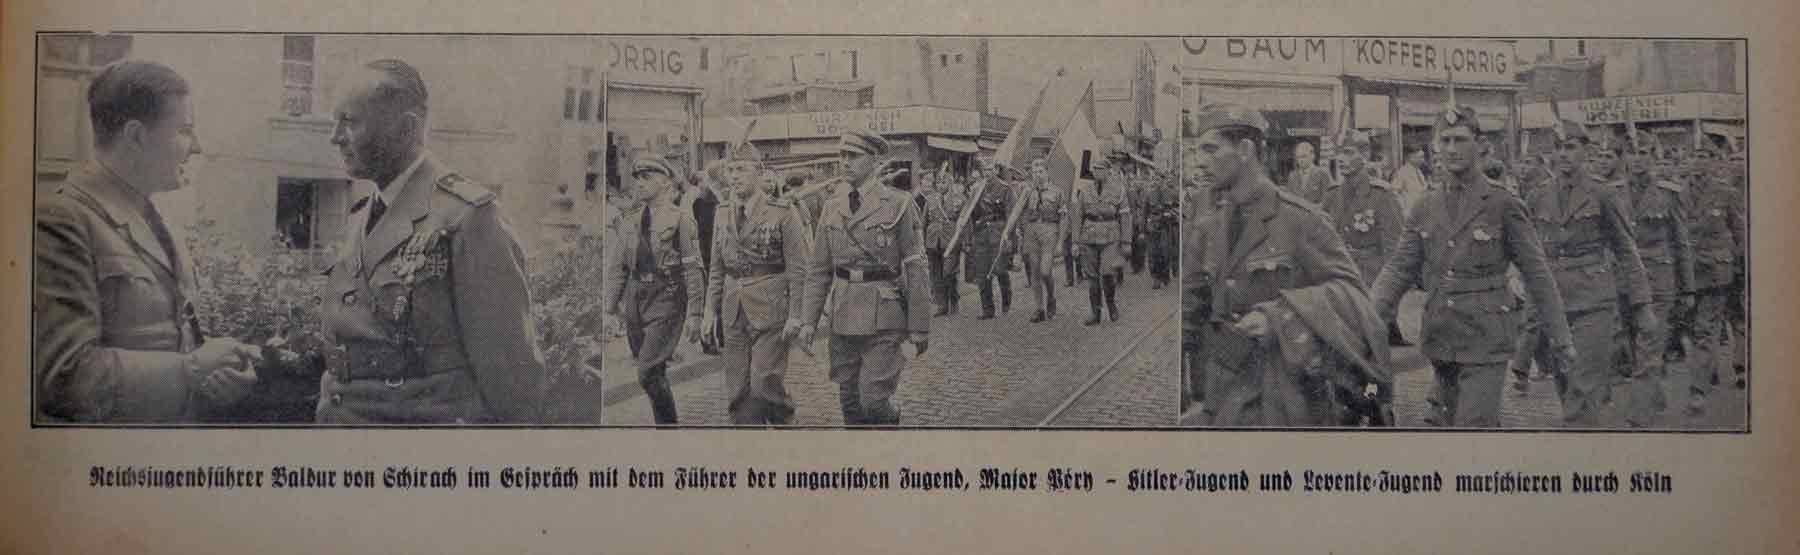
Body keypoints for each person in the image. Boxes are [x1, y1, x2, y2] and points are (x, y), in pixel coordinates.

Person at [311, 59, 545, 424]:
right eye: (335, 121)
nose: (335, 136)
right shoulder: (360, 215)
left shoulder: (468, 218)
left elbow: (512, 382)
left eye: (350, 121)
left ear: (406, 129)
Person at [34, 60, 262, 423]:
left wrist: (221, 370)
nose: (197, 147)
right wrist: (191, 370)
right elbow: (65, 378)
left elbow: (175, 338)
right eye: (185, 131)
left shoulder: (157, 219)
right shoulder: (61, 219)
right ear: (137, 136)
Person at [1182, 103, 1389, 426]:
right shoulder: (1208, 226)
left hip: (1288, 399)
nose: (1199, 161)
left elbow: (1355, 300)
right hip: (1225, 395)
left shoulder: (1300, 220)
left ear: (1245, 150)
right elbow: (1190, 308)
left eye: (1210, 149)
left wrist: (1279, 316)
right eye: (1197, 151)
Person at [1370, 105, 1573, 428]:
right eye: (1445, 140)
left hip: (1486, 338)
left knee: (1472, 426)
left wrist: (1561, 337)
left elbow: (1537, 274)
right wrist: (1368, 316)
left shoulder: (1502, 203)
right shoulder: (1425, 205)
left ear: (1479, 144)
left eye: (1460, 140)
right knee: (1445, 428)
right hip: (1441, 336)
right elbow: (1398, 269)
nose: (1452, 149)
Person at [1515, 122, 1656, 427]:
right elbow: (1528, 250)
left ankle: (1578, 438)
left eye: (1570, 147)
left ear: (1585, 150)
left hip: (1593, 300)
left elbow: (1626, 250)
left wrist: (1642, 304)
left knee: (1583, 382)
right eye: (1557, 148)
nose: (1562, 155)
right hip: (1553, 303)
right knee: (1565, 381)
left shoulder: (1603, 194)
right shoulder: (1538, 196)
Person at [795, 130, 929, 425]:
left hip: (885, 315)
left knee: (874, 401)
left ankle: (890, 420)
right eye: (842, 155)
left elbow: (916, 267)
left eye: (853, 156)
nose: (845, 162)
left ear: (874, 160)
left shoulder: (899, 204)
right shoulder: (832, 206)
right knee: (850, 402)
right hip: (843, 315)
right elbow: (818, 270)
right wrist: (808, 322)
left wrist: (919, 327)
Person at [703, 144, 806, 425]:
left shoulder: (783, 212)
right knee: (738, 391)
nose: (734, 176)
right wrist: (710, 310)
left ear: (759, 173)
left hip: (771, 308)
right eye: (730, 170)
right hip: (733, 308)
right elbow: (717, 267)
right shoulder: (722, 212)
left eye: (742, 169)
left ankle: (784, 418)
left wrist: (796, 315)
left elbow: (798, 269)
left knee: (763, 384)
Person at [604, 155, 706, 425]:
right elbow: (618, 268)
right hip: (636, 299)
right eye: (637, 178)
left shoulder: (681, 219)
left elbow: (693, 268)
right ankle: (666, 427)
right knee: (652, 370)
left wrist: (696, 314)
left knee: (647, 371)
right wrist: (609, 310)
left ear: (665, 183)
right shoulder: (629, 221)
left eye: (646, 178)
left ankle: (668, 425)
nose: (639, 183)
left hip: (667, 297)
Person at [1610, 131, 1695, 426]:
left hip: (1658, 279)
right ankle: (1654, 395)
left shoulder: (1669, 194)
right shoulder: (1613, 192)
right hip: (1624, 279)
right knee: (1633, 343)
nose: (1638, 159)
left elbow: (1681, 243)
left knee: (1650, 343)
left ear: (1653, 156)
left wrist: (1688, 288)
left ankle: (1639, 412)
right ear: (1625, 157)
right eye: (1632, 153)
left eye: (1644, 152)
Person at [1322, 130, 1409, 348]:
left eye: (1348, 152)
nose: (1341, 159)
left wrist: (1387, 297)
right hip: (1340, 278)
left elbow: (1394, 251)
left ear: (1365, 155)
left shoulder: (1382, 195)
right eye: (1338, 153)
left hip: (1371, 280)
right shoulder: (1331, 195)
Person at [1683, 163, 1746, 415]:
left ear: (1712, 161)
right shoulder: (1678, 192)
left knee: (1705, 330)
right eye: (1696, 156)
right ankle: (1708, 370)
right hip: (1686, 273)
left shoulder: (1726, 193)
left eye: (1704, 157)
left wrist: (1737, 267)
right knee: (1691, 330)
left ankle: (1697, 391)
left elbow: (1740, 233)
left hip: (1715, 273)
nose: (1698, 162)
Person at [1071, 157, 1133, 325]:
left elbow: (1125, 217)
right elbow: (1077, 217)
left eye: (1100, 169)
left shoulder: (1119, 190)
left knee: (1107, 273)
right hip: (1088, 237)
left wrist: (1126, 242)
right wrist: (1075, 242)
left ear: (1108, 171)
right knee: (1092, 278)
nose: (1097, 172)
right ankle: (1095, 312)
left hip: (1110, 237)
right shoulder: (1085, 191)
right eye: (1095, 169)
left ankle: (1111, 304)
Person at [1017, 158, 1070, 322]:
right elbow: (1020, 212)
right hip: (1032, 231)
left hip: (1050, 230)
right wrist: (1021, 229)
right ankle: (1039, 308)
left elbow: (1063, 217)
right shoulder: (1027, 191)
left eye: (1040, 171)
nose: (1037, 175)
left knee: (1045, 271)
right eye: (1034, 172)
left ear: (1047, 172)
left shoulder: (1057, 192)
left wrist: (1060, 242)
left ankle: (1051, 297)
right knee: (1034, 272)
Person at [965, 158, 1015, 319]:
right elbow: (969, 215)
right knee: (982, 273)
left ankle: (1006, 301)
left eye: (990, 169)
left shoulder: (1005, 189)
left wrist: (1009, 237)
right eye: (984, 170)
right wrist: (969, 238)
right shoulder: (976, 189)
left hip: (998, 233)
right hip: (981, 234)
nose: (987, 173)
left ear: (996, 170)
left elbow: (1011, 215)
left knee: (1000, 269)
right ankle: (987, 309)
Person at [920, 169, 965, 317]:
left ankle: (954, 300)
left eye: (943, 182)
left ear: (950, 183)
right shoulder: (930, 199)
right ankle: (942, 305)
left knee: (949, 273)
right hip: (933, 241)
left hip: (951, 240)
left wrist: (966, 241)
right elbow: (923, 223)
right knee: (936, 275)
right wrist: (922, 242)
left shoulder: (959, 199)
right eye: (938, 182)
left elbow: (965, 222)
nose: (940, 185)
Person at [1143, 168, 1181, 290]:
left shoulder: (1172, 193)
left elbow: (1178, 209)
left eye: (1159, 179)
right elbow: (1145, 212)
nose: (1157, 181)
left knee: (1165, 253)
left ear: (1163, 180)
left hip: (1166, 226)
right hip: (1153, 227)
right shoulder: (1149, 194)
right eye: (1155, 179)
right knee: (1153, 253)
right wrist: (1143, 230)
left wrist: (1171, 214)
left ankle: (1165, 275)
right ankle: (1156, 278)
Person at [1391, 145, 1431, 212]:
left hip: (1421, 210)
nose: (1423, 160)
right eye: (1420, 157)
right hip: (1409, 211)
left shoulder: (1418, 171)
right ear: (1411, 157)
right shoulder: (1402, 172)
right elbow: (1394, 194)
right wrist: (1403, 210)